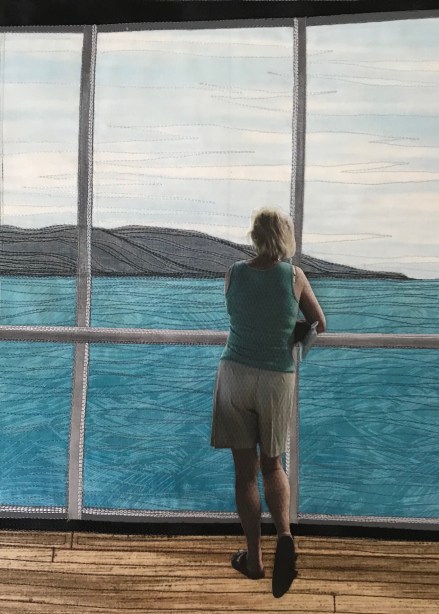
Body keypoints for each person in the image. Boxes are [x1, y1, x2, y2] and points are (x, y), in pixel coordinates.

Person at [210, 206, 326, 598]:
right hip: (276, 378)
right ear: (285, 237)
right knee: (273, 465)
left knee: (245, 473)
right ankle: (286, 536)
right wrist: (297, 340)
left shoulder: (233, 273)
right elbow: (319, 323)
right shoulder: (294, 276)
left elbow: (241, 314)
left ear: (255, 236)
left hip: (235, 374)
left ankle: (255, 560)